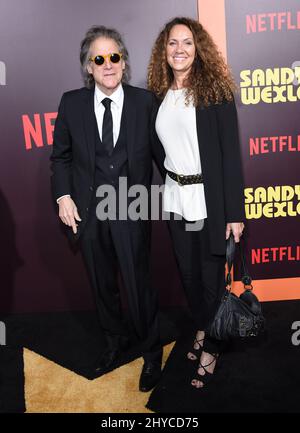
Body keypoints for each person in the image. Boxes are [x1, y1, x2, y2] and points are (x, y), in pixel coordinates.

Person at [50, 26, 163, 392]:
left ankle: (150, 353)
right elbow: (61, 158)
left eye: (114, 56)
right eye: (99, 58)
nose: (108, 64)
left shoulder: (145, 102)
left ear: (124, 61)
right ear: (88, 67)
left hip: (132, 206)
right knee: (103, 286)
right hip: (89, 209)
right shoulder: (71, 103)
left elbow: (164, 156)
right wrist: (62, 196)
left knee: (138, 283)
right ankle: (114, 344)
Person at [148, 17, 245, 388]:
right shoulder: (159, 95)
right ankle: (204, 327)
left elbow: (230, 157)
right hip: (175, 199)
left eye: (187, 43)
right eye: (173, 43)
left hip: (210, 202)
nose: (180, 50)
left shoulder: (216, 92)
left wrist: (233, 212)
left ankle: (212, 347)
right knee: (188, 275)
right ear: (164, 50)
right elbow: (159, 150)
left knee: (210, 279)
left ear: (198, 48)